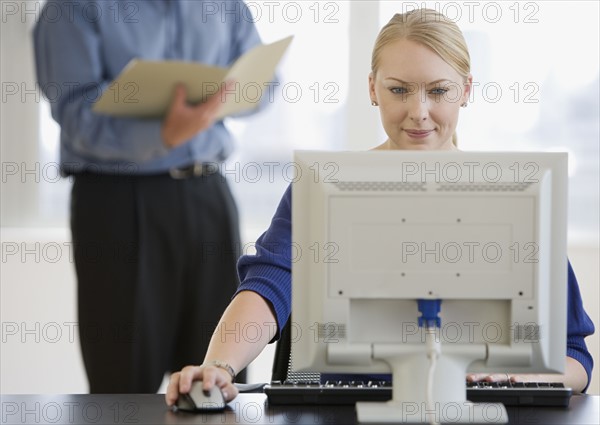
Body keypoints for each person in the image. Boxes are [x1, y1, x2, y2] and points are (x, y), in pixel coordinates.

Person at [165, 8, 595, 406]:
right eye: (399, 90)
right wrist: (219, 368)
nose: (418, 112)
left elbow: (574, 356)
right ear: (373, 88)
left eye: (438, 91)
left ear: (466, 91)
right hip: (345, 410)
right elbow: (269, 285)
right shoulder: (324, 188)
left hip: (476, 409)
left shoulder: (518, 198)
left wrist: (531, 378)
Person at [33, 0, 269, 393]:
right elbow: (75, 114)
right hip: (117, 203)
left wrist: (223, 97)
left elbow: (265, 81)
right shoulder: (74, 6)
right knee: (122, 384)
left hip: (207, 193)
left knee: (218, 382)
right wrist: (162, 135)